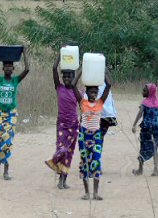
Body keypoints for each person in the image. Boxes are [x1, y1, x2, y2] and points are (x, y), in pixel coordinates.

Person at [0, 45, 30, 180]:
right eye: (6, 66)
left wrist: (24, 52)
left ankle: (6, 170)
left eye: (11, 66)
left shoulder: (16, 80)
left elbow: (27, 69)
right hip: (0, 114)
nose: (8, 68)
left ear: (13, 69)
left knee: (7, 141)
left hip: (11, 115)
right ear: (3, 69)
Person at [72, 71, 111, 201]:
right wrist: (82, 71)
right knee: (84, 163)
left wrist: (101, 70)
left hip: (96, 136)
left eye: (95, 92)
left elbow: (109, 85)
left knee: (96, 161)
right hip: (84, 136)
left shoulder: (100, 103)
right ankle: (87, 193)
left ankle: (95, 193)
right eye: (91, 92)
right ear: (86, 93)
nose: (94, 94)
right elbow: (73, 85)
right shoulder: (82, 103)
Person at [45, 53, 79, 189]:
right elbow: (54, 68)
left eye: (69, 76)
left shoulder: (77, 92)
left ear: (73, 78)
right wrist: (60, 55)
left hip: (73, 125)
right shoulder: (59, 88)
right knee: (61, 149)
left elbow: (82, 106)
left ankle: (62, 181)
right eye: (64, 76)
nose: (66, 79)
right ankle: (55, 164)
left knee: (68, 154)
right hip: (62, 125)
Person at [132, 83, 158, 176]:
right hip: (156, 129)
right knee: (155, 149)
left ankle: (140, 170)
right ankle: (155, 170)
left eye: (145, 90)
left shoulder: (145, 103)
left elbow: (140, 114)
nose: (142, 92)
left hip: (146, 129)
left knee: (143, 148)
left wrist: (134, 124)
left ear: (149, 92)